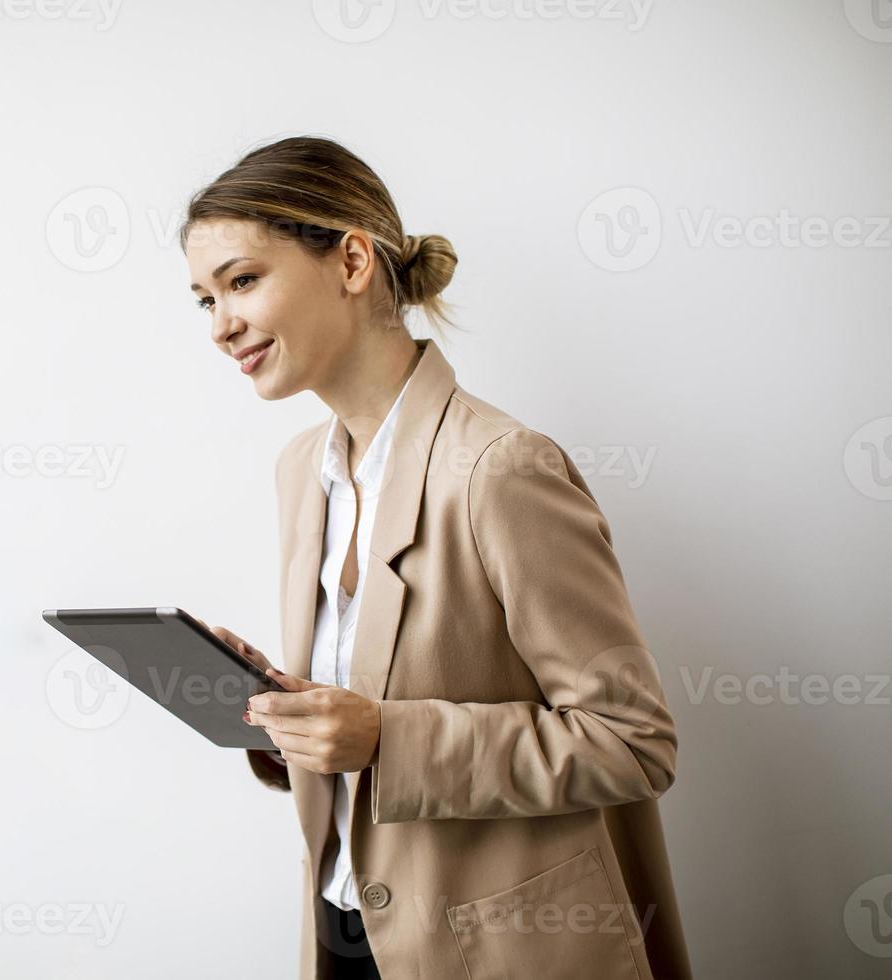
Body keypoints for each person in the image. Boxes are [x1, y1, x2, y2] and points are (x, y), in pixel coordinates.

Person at [184, 136, 692, 980]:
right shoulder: (301, 473)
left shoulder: (502, 468)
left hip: (499, 954)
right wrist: (283, 716)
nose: (221, 325)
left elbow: (633, 742)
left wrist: (386, 738)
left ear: (352, 261)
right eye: (203, 299)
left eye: (242, 281)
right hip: (344, 934)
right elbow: (361, 720)